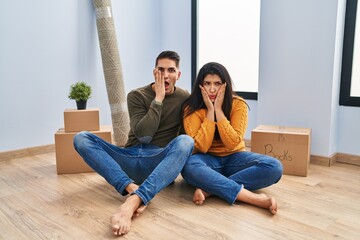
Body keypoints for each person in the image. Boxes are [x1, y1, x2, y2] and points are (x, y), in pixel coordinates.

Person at [73, 51, 194, 236]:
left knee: (186, 141)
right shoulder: (136, 95)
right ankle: (131, 187)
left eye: (171, 70)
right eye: (161, 70)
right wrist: (159, 99)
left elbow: (184, 139)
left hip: (156, 161)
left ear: (178, 75)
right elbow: (144, 135)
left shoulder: (185, 98)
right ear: (154, 72)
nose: (166, 75)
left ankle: (133, 201)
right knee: (81, 138)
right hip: (127, 159)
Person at [180, 62, 283, 215]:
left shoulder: (238, 104)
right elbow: (201, 146)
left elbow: (233, 143)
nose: (212, 89)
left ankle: (210, 189)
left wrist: (219, 111)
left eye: (217, 84)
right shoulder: (191, 108)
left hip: (235, 157)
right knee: (188, 167)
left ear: (225, 85)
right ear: (200, 86)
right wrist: (210, 111)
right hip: (206, 159)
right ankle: (253, 199)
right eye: (207, 84)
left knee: (274, 167)